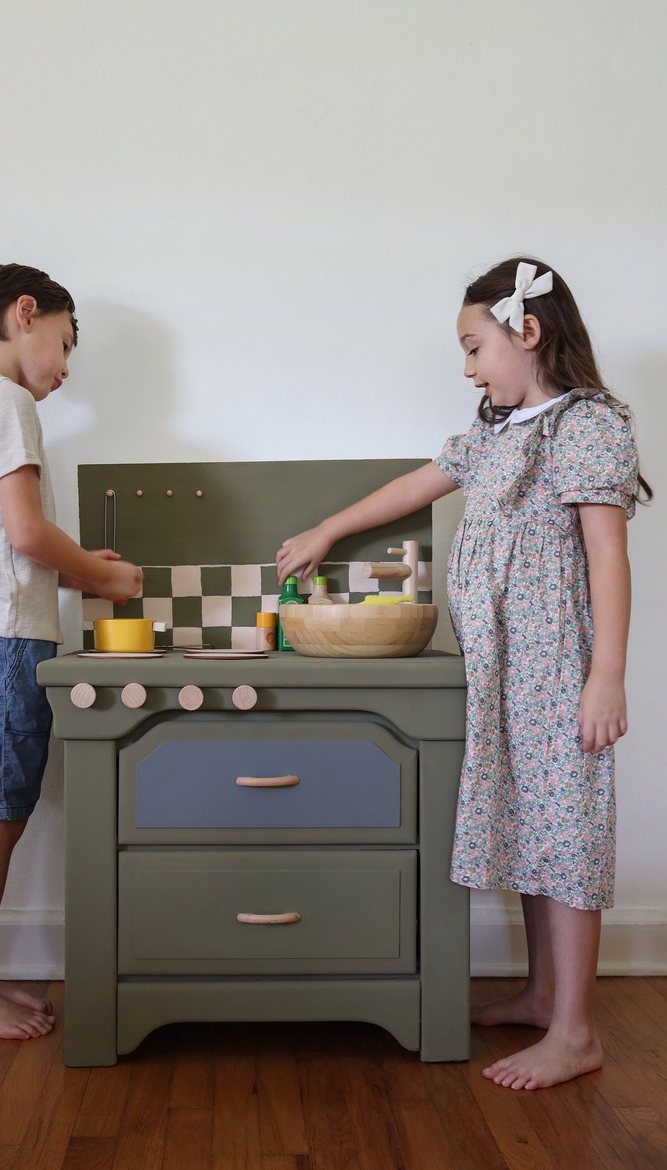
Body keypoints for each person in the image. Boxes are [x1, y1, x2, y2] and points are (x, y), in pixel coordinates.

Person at [276, 257, 651, 1090]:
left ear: (529, 331)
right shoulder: (495, 433)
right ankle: (544, 994)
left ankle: (576, 1032)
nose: (469, 368)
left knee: (568, 832)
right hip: (501, 670)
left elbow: (607, 555)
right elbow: (419, 484)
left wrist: (607, 675)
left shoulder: (586, 425)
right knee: (529, 826)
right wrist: (328, 530)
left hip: (559, 668)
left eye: (475, 348)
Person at [0, 264, 143, 1040]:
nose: (66, 367)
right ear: (26, 314)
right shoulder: (10, 401)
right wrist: (102, 576)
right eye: (66, 342)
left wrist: (77, 565)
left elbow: (3, 544)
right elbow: (24, 533)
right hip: (2, 645)